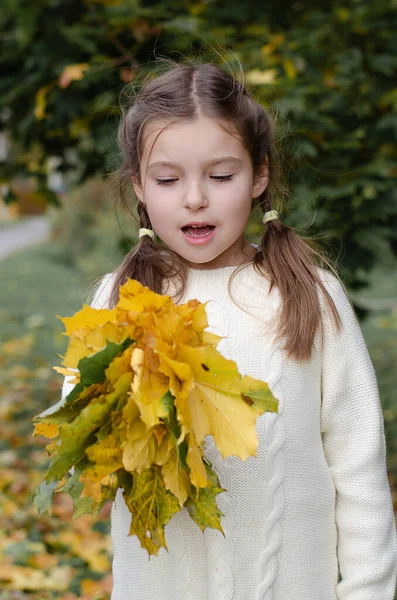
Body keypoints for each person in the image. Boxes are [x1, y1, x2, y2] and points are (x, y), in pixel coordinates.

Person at [58, 61, 397, 599]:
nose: (195, 198)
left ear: (259, 175)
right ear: (139, 187)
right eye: (168, 179)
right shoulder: (119, 300)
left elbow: (358, 469)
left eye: (221, 176)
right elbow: (86, 435)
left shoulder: (308, 295)